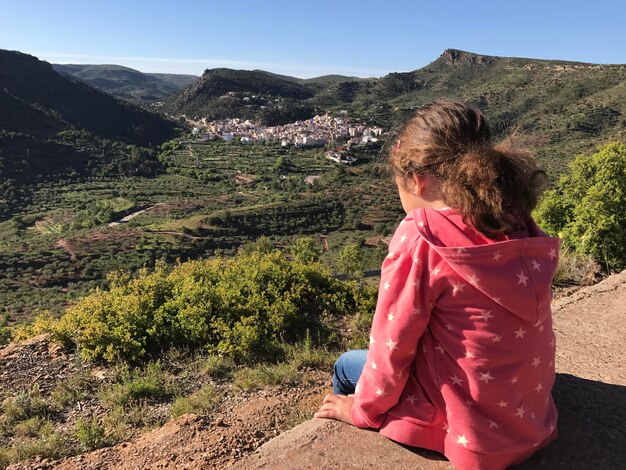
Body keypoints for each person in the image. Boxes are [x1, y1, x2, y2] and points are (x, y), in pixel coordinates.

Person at [314, 100, 560, 470]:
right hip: (532, 419)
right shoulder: (515, 220)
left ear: (416, 179)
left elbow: (391, 348)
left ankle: (332, 440)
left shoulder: (420, 235)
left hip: (472, 437)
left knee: (346, 365)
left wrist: (361, 411)